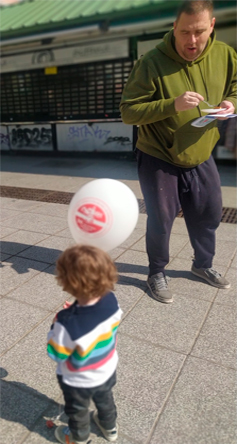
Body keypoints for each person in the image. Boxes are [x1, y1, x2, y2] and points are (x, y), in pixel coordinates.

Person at [120, 0, 236, 304]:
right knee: (161, 218)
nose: (192, 40)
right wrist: (172, 104)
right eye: (185, 32)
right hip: (158, 154)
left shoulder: (225, 55)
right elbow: (129, 112)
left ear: (212, 26)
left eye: (199, 31)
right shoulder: (152, 62)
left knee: (208, 212)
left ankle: (203, 265)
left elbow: (235, 87)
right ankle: (156, 272)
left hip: (201, 152)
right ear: (174, 28)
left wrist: (232, 103)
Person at [47, 244, 122, 444]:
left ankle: (78, 439)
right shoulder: (111, 301)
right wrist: (76, 309)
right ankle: (110, 429)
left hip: (78, 380)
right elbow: (92, 315)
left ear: (66, 282)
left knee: (78, 411)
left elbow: (56, 353)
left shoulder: (66, 321)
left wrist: (55, 324)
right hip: (106, 370)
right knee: (105, 402)